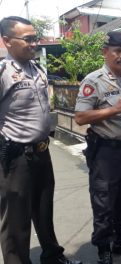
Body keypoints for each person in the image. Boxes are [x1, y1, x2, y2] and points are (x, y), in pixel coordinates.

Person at [0, 16, 81, 264]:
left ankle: (52, 256)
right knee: (16, 222)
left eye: (35, 38)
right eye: (28, 39)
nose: (35, 43)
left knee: (44, 210)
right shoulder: (3, 73)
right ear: (6, 41)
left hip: (42, 152)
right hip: (16, 158)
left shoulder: (36, 70)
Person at [74, 31, 121, 264]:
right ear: (105, 52)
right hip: (104, 152)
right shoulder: (93, 81)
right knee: (104, 202)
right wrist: (115, 109)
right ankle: (104, 249)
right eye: (117, 51)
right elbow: (81, 117)